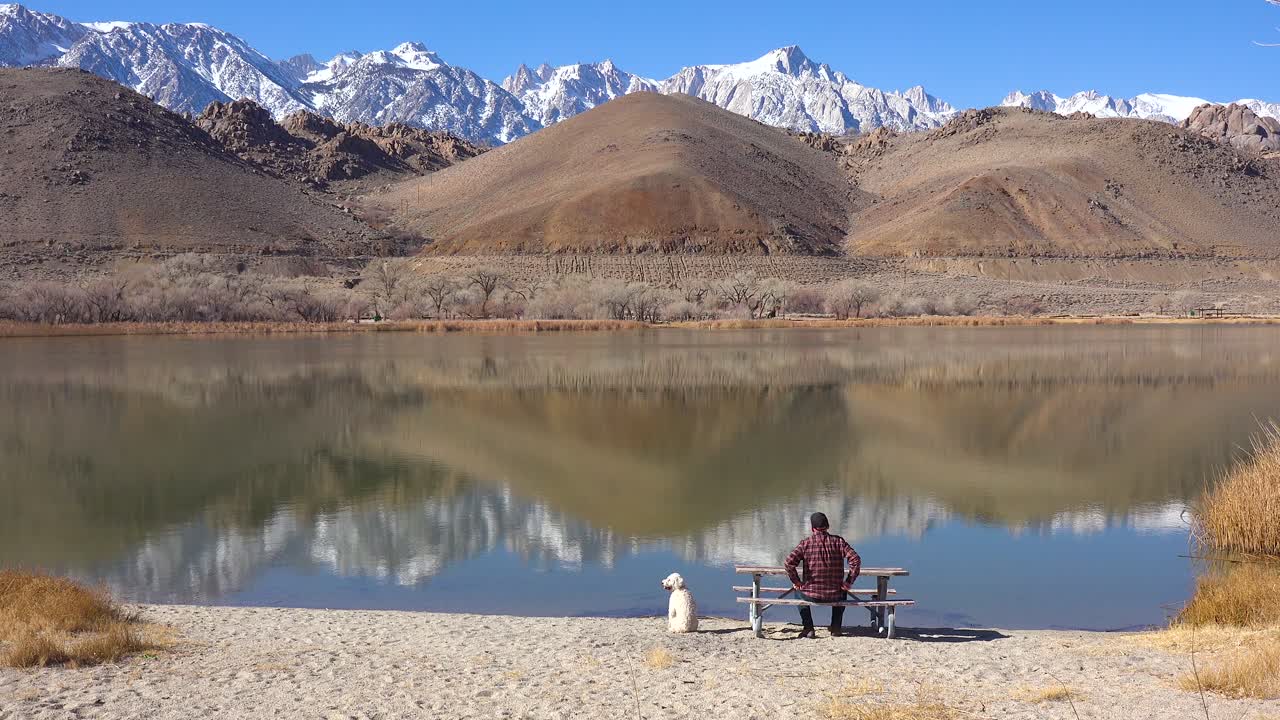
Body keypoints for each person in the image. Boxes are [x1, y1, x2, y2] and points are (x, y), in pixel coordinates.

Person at [784, 512, 862, 639]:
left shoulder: (805, 544)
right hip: (835, 594)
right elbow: (855, 560)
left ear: (812, 528)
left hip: (811, 595)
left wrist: (797, 581)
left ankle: (808, 628)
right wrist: (849, 581)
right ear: (828, 526)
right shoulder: (839, 542)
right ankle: (836, 627)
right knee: (843, 592)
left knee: (797, 593)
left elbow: (788, 563)